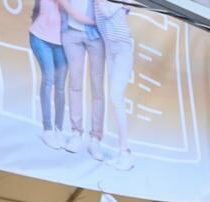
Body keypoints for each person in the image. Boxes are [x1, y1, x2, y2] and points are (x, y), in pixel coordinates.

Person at [60, 0, 106, 160]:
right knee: (74, 83)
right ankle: (76, 133)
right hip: (70, 33)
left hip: (96, 35)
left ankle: (95, 139)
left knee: (97, 88)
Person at [93, 0, 135, 170]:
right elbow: (105, 12)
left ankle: (126, 152)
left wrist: (122, 4)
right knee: (114, 98)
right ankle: (122, 150)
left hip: (123, 48)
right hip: (111, 50)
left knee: (116, 97)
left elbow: (112, 11)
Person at [28, 0, 68, 149]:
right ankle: (47, 129)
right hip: (40, 37)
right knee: (48, 78)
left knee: (60, 86)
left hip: (62, 43)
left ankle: (58, 129)